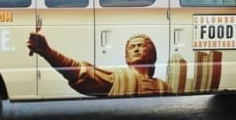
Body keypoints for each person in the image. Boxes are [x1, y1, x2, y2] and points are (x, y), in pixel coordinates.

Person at [27, 32, 170, 96]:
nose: (136, 49)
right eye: (132, 47)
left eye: (140, 46)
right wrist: (48, 52)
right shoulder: (118, 77)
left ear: (151, 53)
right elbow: (81, 72)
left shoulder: (162, 86)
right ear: (127, 57)